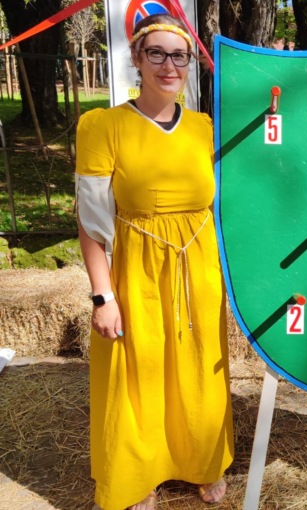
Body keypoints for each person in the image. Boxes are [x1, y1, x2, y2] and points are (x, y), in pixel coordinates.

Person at [76, 13, 234, 510]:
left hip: (198, 268)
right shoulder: (104, 126)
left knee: (197, 368)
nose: (169, 66)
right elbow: (90, 222)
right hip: (136, 269)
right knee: (138, 373)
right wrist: (103, 296)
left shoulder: (204, 128)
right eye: (157, 53)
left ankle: (203, 461)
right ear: (138, 58)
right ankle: (139, 472)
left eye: (179, 55)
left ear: (189, 63)